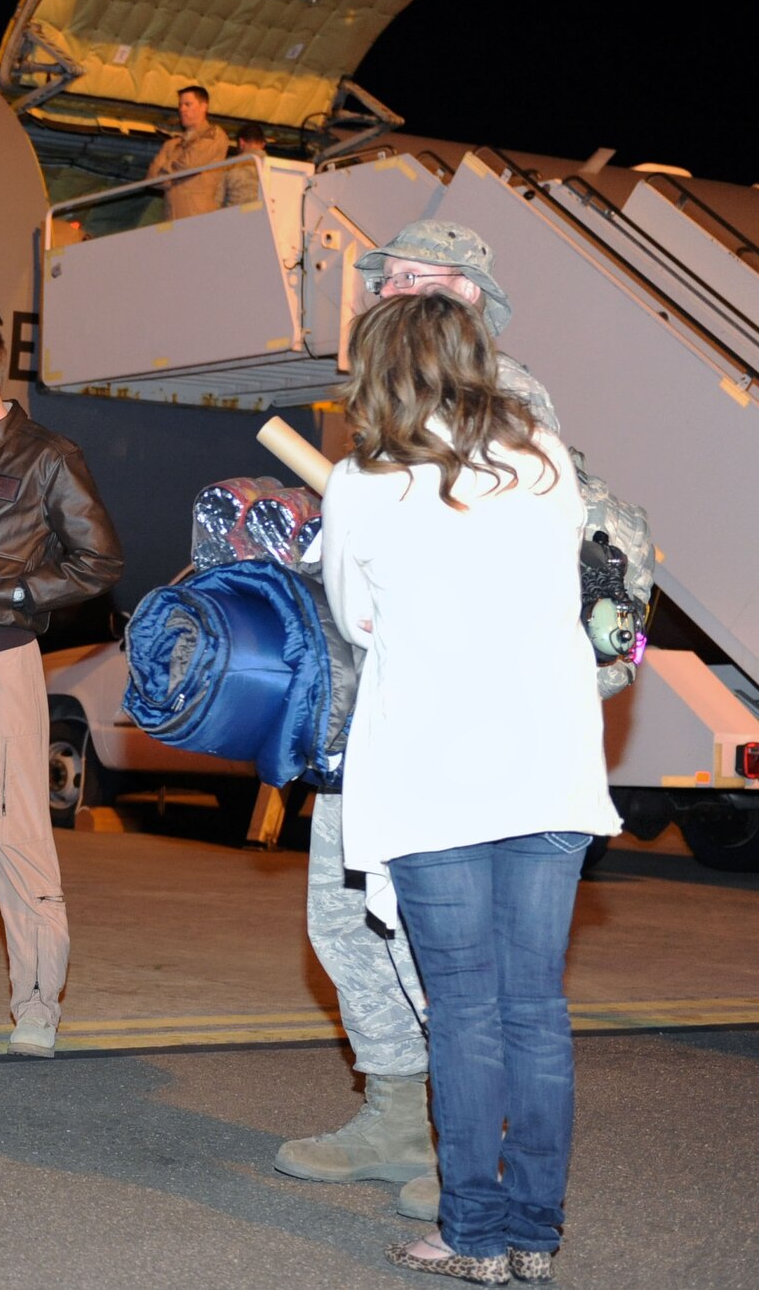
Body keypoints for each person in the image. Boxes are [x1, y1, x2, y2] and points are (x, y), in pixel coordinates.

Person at [323, 292, 618, 1284]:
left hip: (433, 769)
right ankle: (534, 1232)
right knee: (534, 1007)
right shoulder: (539, 463)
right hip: (547, 762)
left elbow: (355, 621)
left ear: (377, 369)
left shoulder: (362, 481)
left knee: (462, 1012)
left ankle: (473, 1233)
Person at [276, 219, 561, 1221]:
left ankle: (460, 1139)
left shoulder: (510, 404)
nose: (382, 290)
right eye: (380, 277)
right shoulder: (384, 402)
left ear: (468, 296)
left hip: (450, 733)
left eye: (408, 277)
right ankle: (393, 1111)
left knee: (436, 943)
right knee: (342, 919)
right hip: (367, 717)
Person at [0, 320, 122, 1055]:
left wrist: (11, 599)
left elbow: (99, 559)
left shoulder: (48, 456)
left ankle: (37, 1006)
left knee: (17, 840)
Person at [145, 84, 230, 218]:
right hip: (172, 218)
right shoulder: (171, 144)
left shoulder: (215, 135)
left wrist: (166, 173)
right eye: (180, 105)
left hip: (198, 217)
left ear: (203, 106)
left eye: (187, 104)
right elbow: (151, 178)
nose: (182, 109)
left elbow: (188, 165)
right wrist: (172, 175)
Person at [223, 123, 267, 207]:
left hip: (234, 216)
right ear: (263, 144)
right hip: (264, 217)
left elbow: (217, 200)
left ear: (241, 142)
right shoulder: (274, 167)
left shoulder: (229, 165)